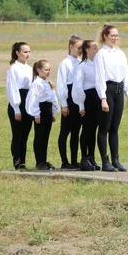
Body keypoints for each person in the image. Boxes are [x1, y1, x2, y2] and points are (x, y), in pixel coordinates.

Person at [95, 24, 128, 172]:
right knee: (104, 126)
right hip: (108, 90)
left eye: (117, 36)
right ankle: (105, 161)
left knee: (115, 127)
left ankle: (116, 159)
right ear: (105, 37)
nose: (115, 38)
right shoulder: (101, 54)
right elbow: (99, 77)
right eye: (112, 36)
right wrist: (103, 98)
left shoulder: (120, 53)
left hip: (119, 89)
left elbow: (126, 74)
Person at [25, 60, 60, 170]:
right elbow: (34, 100)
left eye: (49, 70)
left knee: (45, 137)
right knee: (39, 136)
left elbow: (52, 98)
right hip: (41, 110)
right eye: (46, 70)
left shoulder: (47, 83)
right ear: (38, 70)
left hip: (48, 111)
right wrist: (36, 115)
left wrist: (53, 112)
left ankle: (44, 161)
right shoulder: (36, 83)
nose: (48, 72)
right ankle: (39, 161)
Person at [72, 40, 101, 171]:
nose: (97, 50)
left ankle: (91, 156)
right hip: (87, 98)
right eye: (95, 48)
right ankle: (84, 158)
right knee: (87, 129)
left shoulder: (99, 64)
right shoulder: (82, 66)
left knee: (93, 129)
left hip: (97, 97)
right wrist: (81, 106)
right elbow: (78, 87)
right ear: (87, 50)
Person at [56, 35, 83, 170]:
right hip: (69, 98)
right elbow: (61, 85)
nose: (80, 50)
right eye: (78, 48)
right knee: (65, 131)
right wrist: (64, 104)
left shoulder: (80, 62)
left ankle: (74, 160)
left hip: (78, 99)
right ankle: (64, 161)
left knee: (76, 131)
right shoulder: (65, 63)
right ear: (71, 47)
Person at [6, 42, 33, 169]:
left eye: (29, 52)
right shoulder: (13, 69)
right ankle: (16, 160)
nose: (27, 54)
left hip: (28, 101)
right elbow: (12, 89)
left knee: (25, 134)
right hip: (18, 101)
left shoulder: (30, 69)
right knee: (17, 133)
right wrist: (16, 108)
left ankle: (23, 160)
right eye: (24, 52)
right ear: (17, 53)